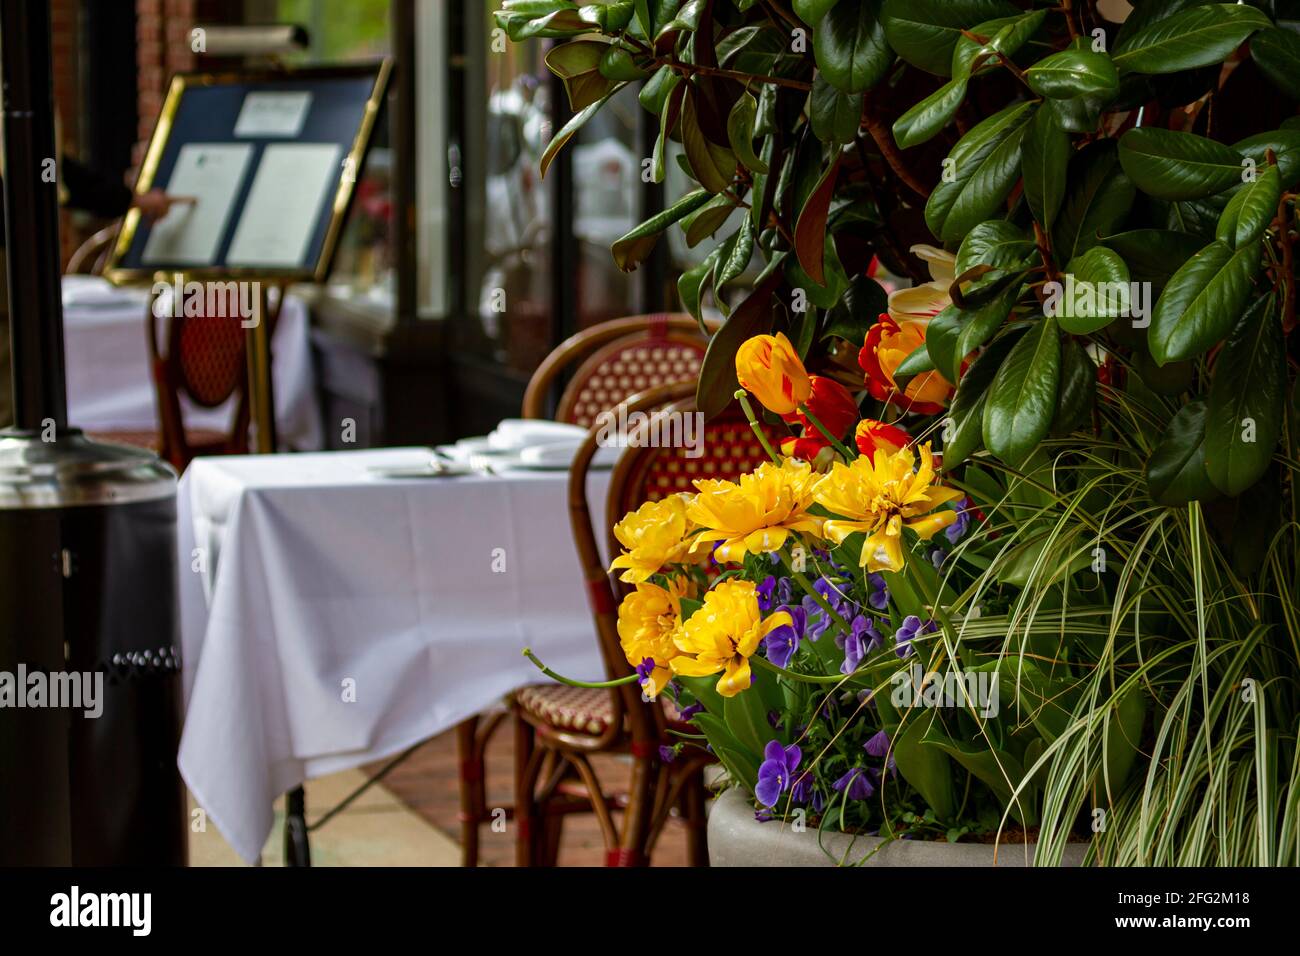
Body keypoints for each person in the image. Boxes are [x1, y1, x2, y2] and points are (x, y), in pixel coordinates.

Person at [0, 155, 192, 427]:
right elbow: (45, 166)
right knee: (12, 375)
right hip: (9, 265)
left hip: (17, 261)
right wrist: (130, 200)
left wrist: (127, 199)